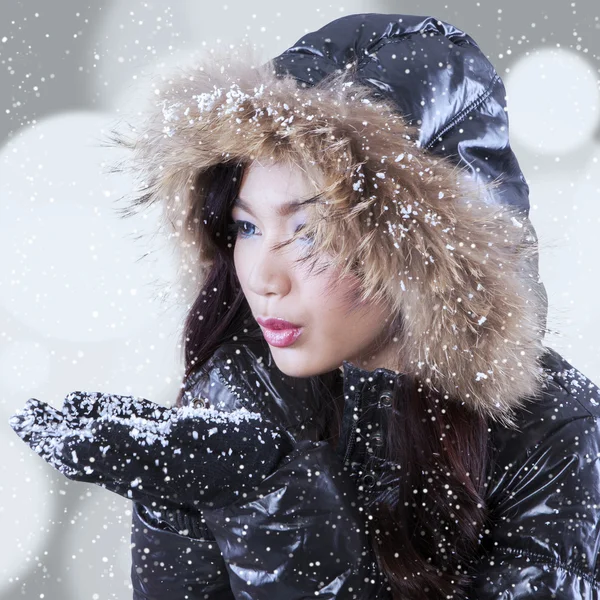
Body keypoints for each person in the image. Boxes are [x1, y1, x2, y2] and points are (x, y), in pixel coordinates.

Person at [8, 12, 600, 600]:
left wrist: (266, 496)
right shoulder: (238, 398)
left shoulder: (556, 430)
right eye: (244, 227)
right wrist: (180, 506)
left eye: (309, 233)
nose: (263, 277)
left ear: (420, 256)